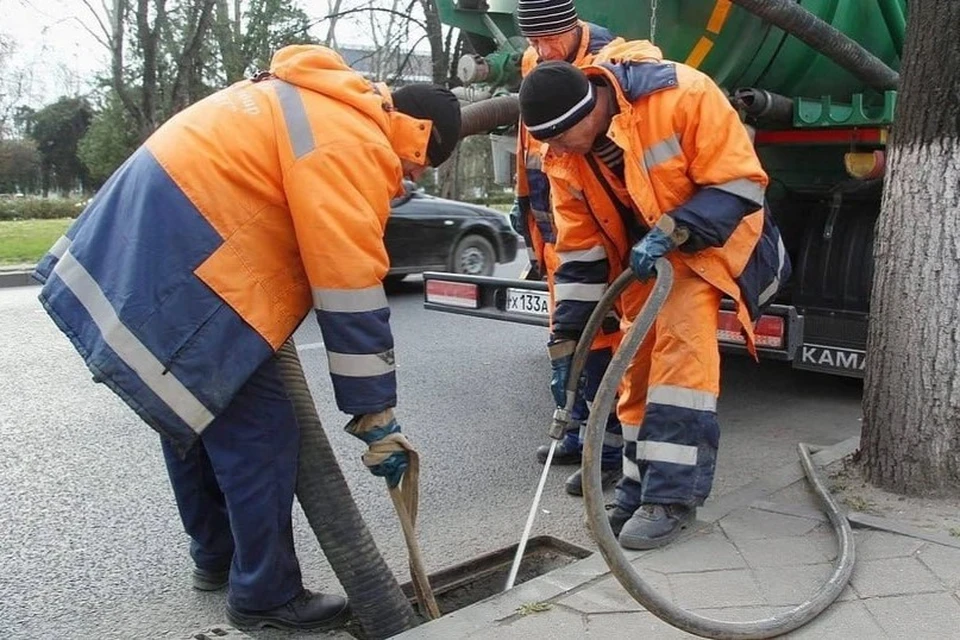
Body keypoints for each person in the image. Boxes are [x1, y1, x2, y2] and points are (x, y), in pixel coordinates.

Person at [32, 44, 461, 630]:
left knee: (198, 410)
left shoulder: (311, 99)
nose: (408, 181)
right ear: (416, 138)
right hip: (188, 263)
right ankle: (266, 598)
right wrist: (375, 415)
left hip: (141, 247)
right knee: (263, 435)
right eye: (417, 168)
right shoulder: (354, 142)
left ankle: (217, 555)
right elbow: (349, 285)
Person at [517, 41, 791, 549]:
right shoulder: (564, 158)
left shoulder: (682, 94)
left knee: (679, 366)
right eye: (548, 142)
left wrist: (673, 231)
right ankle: (636, 487)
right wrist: (567, 344)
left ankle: (671, 498)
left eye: (561, 137)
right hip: (642, 262)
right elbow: (578, 254)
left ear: (589, 110)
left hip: (707, 244)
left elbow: (741, 182)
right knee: (634, 369)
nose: (558, 150)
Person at [512, 0, 625, 497]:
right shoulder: (534, 62)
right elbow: (528, 142)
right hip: (555, 222)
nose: (542, 52)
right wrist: (524, 205)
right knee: (566, 334)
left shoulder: (607, 63)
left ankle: (610, 447)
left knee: (605, 338)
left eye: (550, 40)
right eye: (533, 42)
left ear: (572, 27)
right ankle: (576, 430)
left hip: (595, 224)